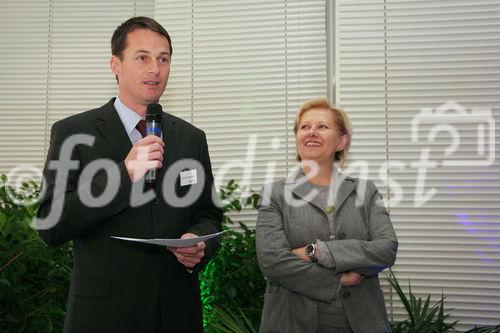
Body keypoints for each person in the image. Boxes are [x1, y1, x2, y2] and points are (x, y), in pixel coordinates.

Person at [35, 17, 222, 333]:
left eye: (163, 59)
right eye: (142, 57)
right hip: (103, 316)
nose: (155, 69)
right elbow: (50, 225)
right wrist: (122, 175)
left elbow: (209, 215)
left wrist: (197, 244)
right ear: (116, 65)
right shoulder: (74, 133)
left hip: (176, 314)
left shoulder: (192, 137)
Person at [256, 98, 398, 333]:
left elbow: (386, 249)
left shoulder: (366, 190)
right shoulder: (275, 194)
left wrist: (317, 251)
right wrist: (338, 279)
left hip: (362, 321)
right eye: (305, 127)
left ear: (342, 141)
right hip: (293, 321)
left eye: (322, 126)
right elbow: (273, 261)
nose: (311, 132)